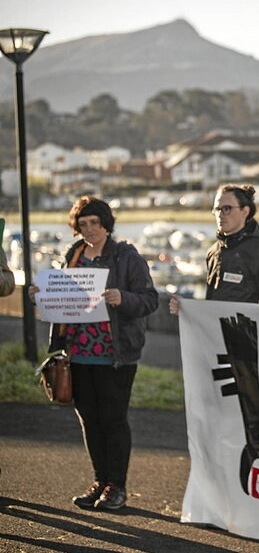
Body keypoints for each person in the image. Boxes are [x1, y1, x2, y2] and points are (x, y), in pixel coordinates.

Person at [29, 196, 159, 511]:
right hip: (78, 354)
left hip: (116, 355)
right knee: (89, 419)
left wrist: (122, 298)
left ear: (106, 224)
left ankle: (117, 486)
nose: (89, 230)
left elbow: (149, 299)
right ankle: (100, 481)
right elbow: (64, 300)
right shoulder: (73, 256)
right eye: (83, 224)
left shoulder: (126, 256)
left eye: (95, 223)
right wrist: (42, 297)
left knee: (113, 419)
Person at [170, 184, 259, 314]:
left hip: (249, 332)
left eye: (226, 209)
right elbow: (210, 305)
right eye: (216, 209)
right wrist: (185, 309)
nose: (220, 215)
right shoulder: (213, 252)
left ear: (245, 211)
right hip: (216, 332)